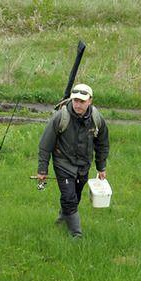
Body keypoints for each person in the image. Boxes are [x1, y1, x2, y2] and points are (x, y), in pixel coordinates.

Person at [37, 83, 109, 238]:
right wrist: (42, 170)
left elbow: (102, 144)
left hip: (84, 166)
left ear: (90, 100)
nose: (77, 104)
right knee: (69, 198)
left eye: (82, 101)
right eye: (75, 100)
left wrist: (101, 167)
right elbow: (45, 145)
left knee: (74, 196)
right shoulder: (60, 117)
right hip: (63, 164)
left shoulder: (97, 118)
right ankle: (76, 234)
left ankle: (62, 221)